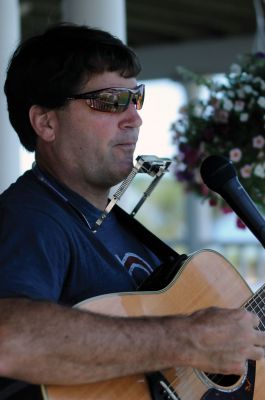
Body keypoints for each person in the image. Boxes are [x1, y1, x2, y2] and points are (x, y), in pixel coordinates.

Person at [0, 22, 264, 399]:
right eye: (109, 101)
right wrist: (186, 339)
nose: (134, 118)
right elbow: (9, 338)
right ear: (46, 122)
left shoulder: (108, 222)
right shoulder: (31, 218)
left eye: (135, 98)